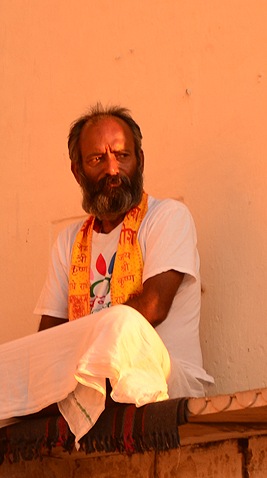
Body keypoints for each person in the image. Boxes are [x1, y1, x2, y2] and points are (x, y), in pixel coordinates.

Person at [33, 104, 214, 398]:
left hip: (164, 378)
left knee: (124, 328)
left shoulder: (168, 217)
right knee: (3, 369)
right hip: (92, 377)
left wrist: (76, 348)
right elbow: (48, 337)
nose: (112, 170)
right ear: (78, 172)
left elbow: (153, 307)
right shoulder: (68, 242)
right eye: (97, 159)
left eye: (122, 156)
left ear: (140, 161)